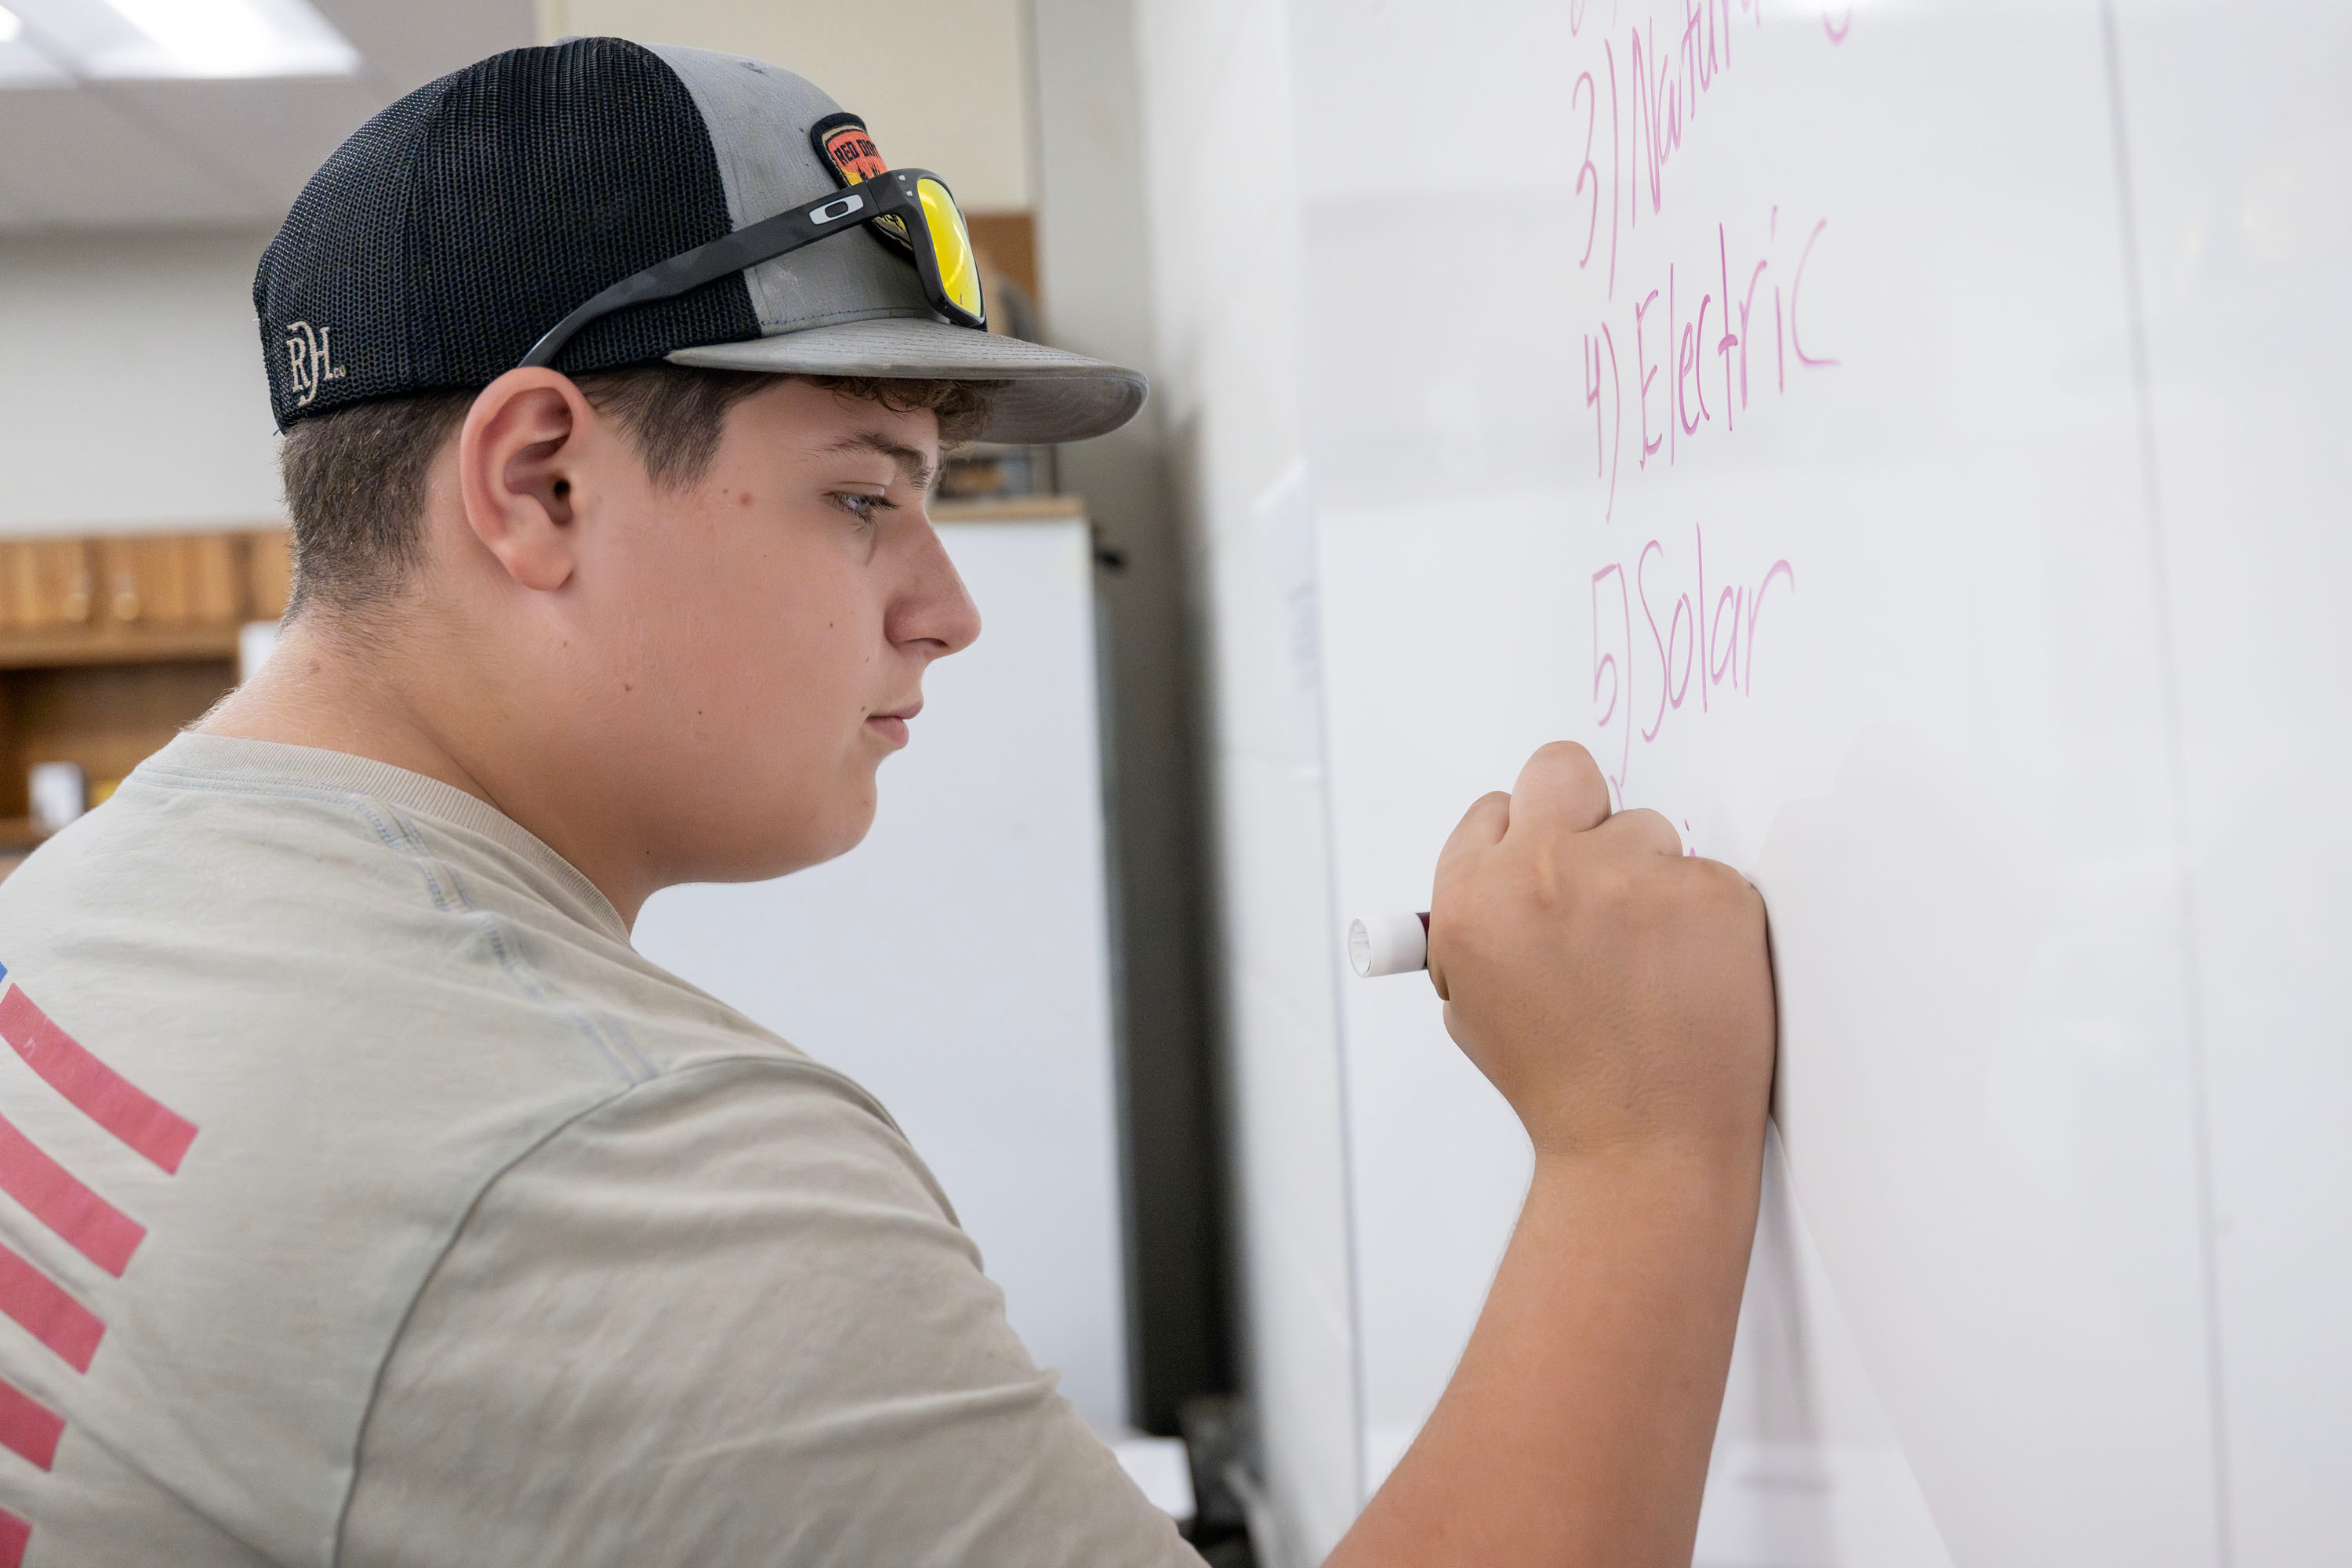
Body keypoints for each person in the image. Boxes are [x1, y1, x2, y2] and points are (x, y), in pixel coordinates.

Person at [0, 38, 1774, 1568]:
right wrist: (1639, 1148)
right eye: (865, 498)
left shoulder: (75, 925)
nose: (950, 602)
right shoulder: (608, 1165)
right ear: (538, 483)